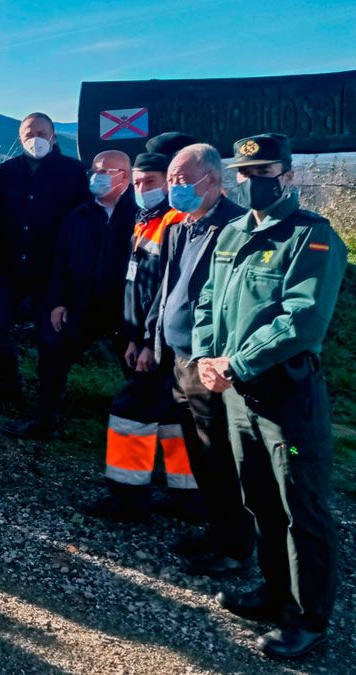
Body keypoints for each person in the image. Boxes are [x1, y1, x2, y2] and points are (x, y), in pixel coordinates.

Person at [194, 134, 347, 660]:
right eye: (246, 173)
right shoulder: (235, 231)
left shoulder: (312, 236)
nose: (253, 183)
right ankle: (275, 592)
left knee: (301, 504)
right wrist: (206, 357)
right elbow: (209, 299)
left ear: (287, 176)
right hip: (238, 393)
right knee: (259, 498)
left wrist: (236, 362)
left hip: (286, 398)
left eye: (264, 174)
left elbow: (302, 319)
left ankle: (308, 617)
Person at [144, 143, 252, 576]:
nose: (175, 187)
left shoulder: (235, 228)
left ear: (213, 180)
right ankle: (216, 528)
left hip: (210, 364)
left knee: (221, 455)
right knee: (199, 454)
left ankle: (236, 545)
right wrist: (153, 340)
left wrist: (218, 357)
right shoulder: (180, 226)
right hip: (178, 359)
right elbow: (168, 290)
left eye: (182, 180)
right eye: (171, 179)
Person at [87, 133, 200, 522]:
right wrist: (134, 337)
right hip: (145, 337)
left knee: (130, 410)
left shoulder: (176, 221)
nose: (141, 189)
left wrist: (149, 343)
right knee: (171, 417)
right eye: (136, 182)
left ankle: (128, 498)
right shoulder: (147, 218)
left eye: (148, 181)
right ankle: (187, 497)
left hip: (166, 343)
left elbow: (171, 291)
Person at [5, 150, 135, 438]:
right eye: (94, 170)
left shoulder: (140, 216)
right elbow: (60, 260)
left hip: (127, 309)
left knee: (139, 370)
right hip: (82, 303)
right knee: (53, 353)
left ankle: (149, 435)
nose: (96, 177)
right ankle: (46, 419)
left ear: (124, 176)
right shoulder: (79, 215)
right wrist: (57, 302)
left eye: (105, 171)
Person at [0, 112, 89, 404]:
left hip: (51, 272)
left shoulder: (73, 171)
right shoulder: (7, 171)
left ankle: (49, 404)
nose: (36, 139)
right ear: (20, 138)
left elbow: (82, 220)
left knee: (51, 339)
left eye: (42, 133)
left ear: (53, 136)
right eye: (30, 134)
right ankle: (9, 388)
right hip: (10, 267)